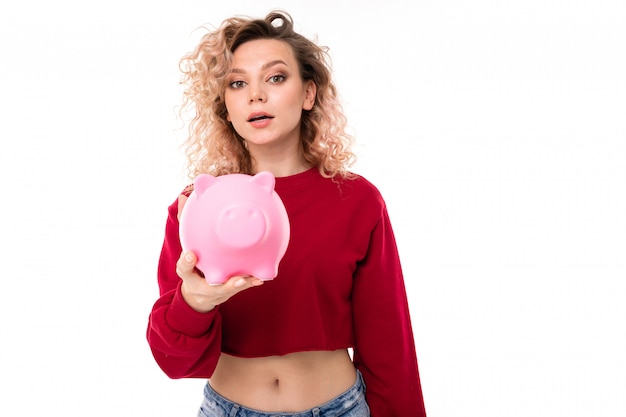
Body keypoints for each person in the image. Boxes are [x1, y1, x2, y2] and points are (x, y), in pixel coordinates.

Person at [146, 10, 427, 417]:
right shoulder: (196, 207)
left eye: (275, 78)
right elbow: (174, 362)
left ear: (309, 94)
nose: (256, 95)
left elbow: (389, 342)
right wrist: (194, 300)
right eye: (237, 83)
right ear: (226, 106)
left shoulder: (358, 200)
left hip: (340, 408)